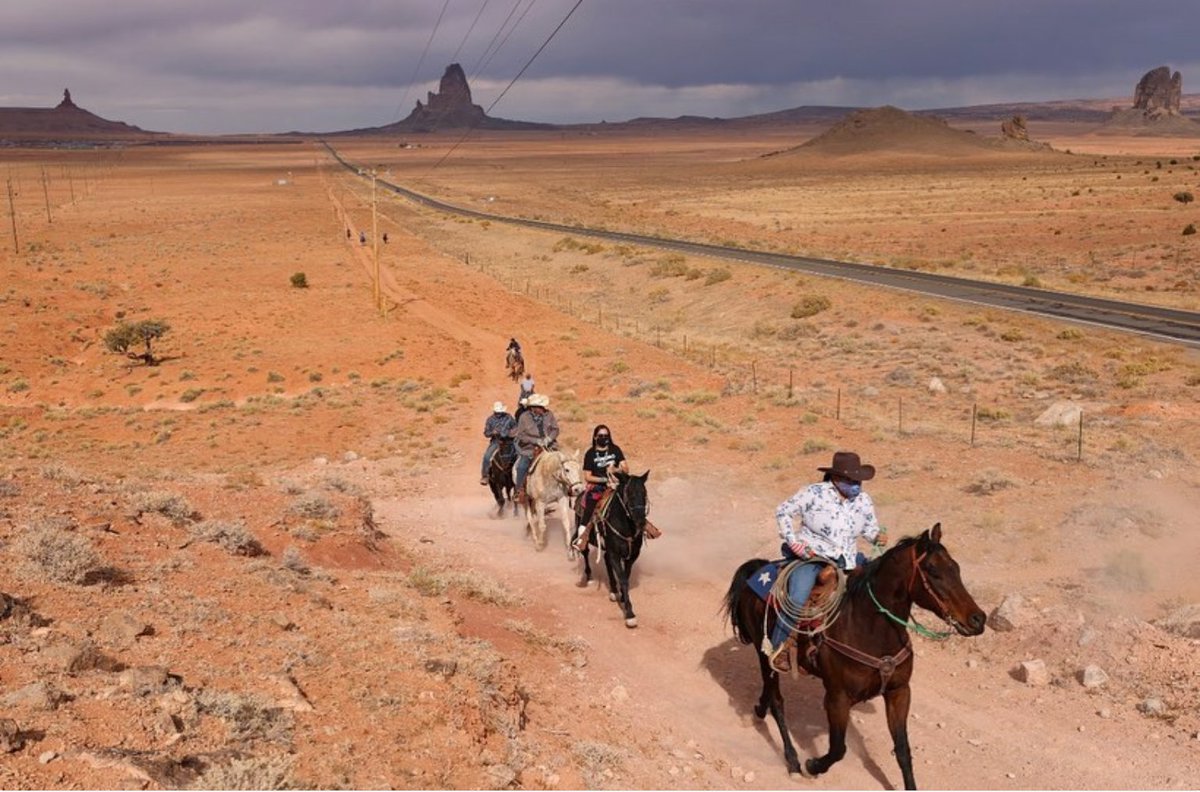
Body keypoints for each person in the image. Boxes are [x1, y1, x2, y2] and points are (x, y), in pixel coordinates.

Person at [767, 451, 888, 673]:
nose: (857, 485)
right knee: (797, 595)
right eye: (852, 481)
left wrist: (876, 536)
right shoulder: (814, 493)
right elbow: (783, 511)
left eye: (858, 480)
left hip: (848, 559)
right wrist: (793, 542)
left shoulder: (863, 500)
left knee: (873, 591)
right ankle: (780, 647)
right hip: (813, 557)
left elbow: (869, 528)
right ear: (836, 478)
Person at [573, 424, 628, 550]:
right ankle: (581, 538)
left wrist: (615, 469)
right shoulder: (590, 454)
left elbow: (626, 468)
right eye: (601, 436)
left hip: (617, 484)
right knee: (590, 505)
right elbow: (587, 476)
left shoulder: (615, 450)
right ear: (595, 437)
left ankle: (642, 527)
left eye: (606, 435)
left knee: (633, 499)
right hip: (598, 486)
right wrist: (604, 480)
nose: (604, 438)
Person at [513, 394, 559, 501]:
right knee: (522, 466)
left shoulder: (549, 414)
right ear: (533, 407)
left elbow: (555, 429)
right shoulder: (524, 417)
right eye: (540, 407)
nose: (543, 408)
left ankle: (567, 488)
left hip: (550, 446)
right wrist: (536, 441)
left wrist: (549, 439)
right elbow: (521, 435)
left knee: (563, 462)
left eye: (543, 406)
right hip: (530, 448)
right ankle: (519, 491)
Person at [480, 401, 516, 486]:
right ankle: (485, 476)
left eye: (500, 412)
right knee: (487, 457)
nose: (499, 414)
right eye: (497, 412)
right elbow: (486, 433)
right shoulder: (490, 420)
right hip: (497, 441)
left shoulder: (509, 418)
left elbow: (515, 427)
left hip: (510, 441)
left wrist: (510, 433)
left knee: (520, 454)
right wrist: (492, 432)